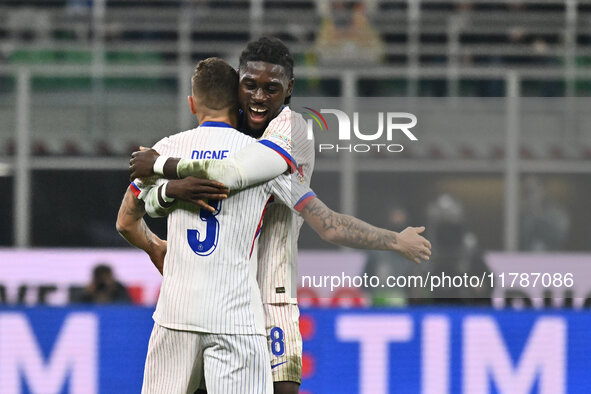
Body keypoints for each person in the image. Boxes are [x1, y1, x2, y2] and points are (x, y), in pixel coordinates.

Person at [123, 37, 430, 394]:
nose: (259, 97)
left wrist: (163, 174)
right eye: (250, 85)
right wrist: (162, 210)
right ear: (237, 83)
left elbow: (321, 221)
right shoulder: (226, 128)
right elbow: (133, 211)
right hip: (217, 296)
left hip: (271, 291)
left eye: (272, 88)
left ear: (289, 89)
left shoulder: (291, 131)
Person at [126, 57, 319, 394]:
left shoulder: (164, 149)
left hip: (176, 315)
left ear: (191, 103)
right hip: (236, 319)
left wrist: (157, 242)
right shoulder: (259, 157)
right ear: (239, 103)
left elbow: (126, 221)